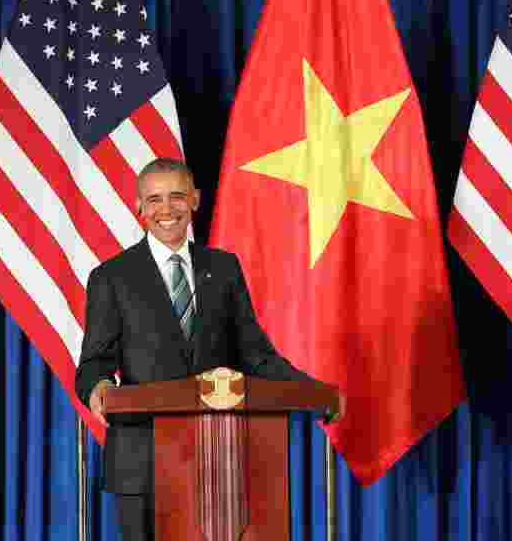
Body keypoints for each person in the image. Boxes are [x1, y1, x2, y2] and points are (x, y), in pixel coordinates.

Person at [74, 158, 333, 541]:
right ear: (139, 206)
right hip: (142, 461)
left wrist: (311, 390)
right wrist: (98, 387)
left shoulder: (224, 268)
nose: (166, 209)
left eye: (177, 196)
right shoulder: (111, 277)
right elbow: (94, 363)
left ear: (195, 199)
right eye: (155, 199)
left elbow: (255, 354)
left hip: (220, 459)